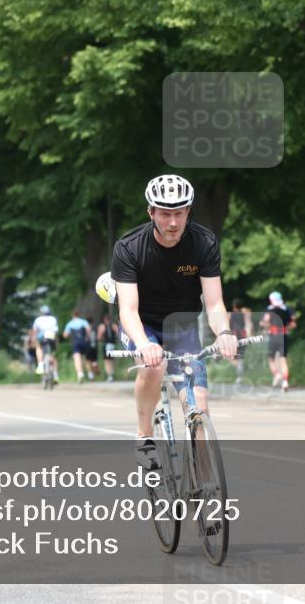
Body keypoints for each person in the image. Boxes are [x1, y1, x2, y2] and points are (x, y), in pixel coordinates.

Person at [111, 174, 238, 470]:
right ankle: (144, 434)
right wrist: (144, 344)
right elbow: (128, 310)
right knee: (153, 368)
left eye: (179, 213)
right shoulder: (129, 247)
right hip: (143, 325)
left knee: (199, 404)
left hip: (182, 327)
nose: (172, 222)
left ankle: (205, 482)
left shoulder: (203, 243)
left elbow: (214, 303)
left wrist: (224, 333)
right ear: (151, 212)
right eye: (165, 214)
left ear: (188, 212)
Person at [261, 292, 296, 392]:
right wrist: (286, 328)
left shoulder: (269, 310)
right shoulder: (286, 309)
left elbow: (265, 321)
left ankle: (276, 374)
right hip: (283, 335)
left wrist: (265, 328)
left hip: (273, 336)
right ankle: (285, 382)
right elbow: (293, 324)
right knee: (283, 360)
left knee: (271, 358)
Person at [31, 305, 59, 382]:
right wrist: (56, 343)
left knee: (38, 347)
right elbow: (56, 331)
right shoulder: (53, 319)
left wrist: (33, 340)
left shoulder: (38, 320)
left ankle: (40, 365)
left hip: (42, 336)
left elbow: (35, 331)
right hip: (51, 336)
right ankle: (55, 375)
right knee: (52, 355)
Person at [63, 311, 93, 383]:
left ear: (72, 316)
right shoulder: (84, 322)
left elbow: (65, 335)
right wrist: (88, 337)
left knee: (77, 358)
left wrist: (69, 336)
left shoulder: (70, 324)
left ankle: (80, 374)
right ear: (78, 315)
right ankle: (90, 374)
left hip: (75, 343)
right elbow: (89, 329)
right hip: (84, 342)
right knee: (86, 359)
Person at [230, 299, 253, 384]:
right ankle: (240, 373)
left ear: (234, 306)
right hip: (242, 337)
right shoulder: (244, 314)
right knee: (239, 357)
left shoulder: (230, 315)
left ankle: (240, 371)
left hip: (234, 337)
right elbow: (248, 324)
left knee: (232, 357)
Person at [98, 313, 119, 382]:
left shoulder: (102, 326)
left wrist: (103, 338)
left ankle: (109, 375)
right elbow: (118, 334)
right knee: (111, 361)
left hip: (106, 345)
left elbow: (99, 337)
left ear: (104, 320)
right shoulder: (114, 326)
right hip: (113, 345)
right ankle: (112, 374)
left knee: (107, 361)